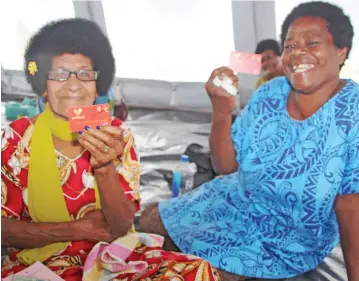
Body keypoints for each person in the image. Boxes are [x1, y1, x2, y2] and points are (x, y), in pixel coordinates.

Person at [139, 2, 359, 281]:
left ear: (341, 51)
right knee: (148, 221)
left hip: (284, 240)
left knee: (193, 274)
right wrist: (221, 110)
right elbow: (225, 166)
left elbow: (351, 206)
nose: (298, 53)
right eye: (290, 46)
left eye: (312, 42)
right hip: (235, 200)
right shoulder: (270, 94)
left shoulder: (352, 114)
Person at [1, 19, 220, 281]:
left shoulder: (116, 134)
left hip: (112, 256)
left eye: (84, 74)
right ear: (43, 87)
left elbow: (120, 226)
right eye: (59, 74)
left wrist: (105, 168)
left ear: (97, 84)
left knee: (197, 271)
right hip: (42, 263)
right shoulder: (16, 138)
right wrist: (76, 229)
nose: (73, 85)